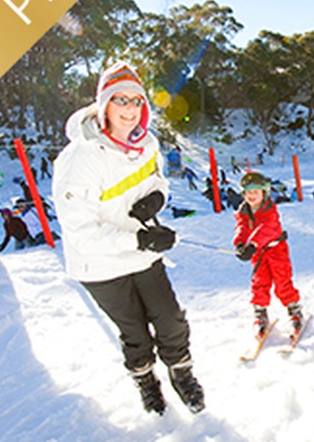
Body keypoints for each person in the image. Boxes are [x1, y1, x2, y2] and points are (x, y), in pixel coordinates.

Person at [52, 61, 204, 416]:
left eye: (136, 101)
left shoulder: (146, 143)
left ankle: (181, 371)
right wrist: (139, 241)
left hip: (140, 249)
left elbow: (157, 179)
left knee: (170, 318)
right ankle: (146, 382)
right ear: (103, 104)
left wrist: (156, 197)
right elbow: (82, 233)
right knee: (134, 331)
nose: (129, 109)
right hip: (100, 265)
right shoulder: (79, 159)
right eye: (120, 100)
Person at [232, 171, 305, 342]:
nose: (251, 196)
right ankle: (260, 313)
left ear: (264, 193)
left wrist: (253, 244)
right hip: (258, 253)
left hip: (276, 250)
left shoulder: (270, 210)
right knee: (259, 281)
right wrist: (240, 244)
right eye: (248, 193)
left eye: (255, 192)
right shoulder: (244, 211)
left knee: (282, 281)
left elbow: (267, 228)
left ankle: (294, 310)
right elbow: (242, 227)